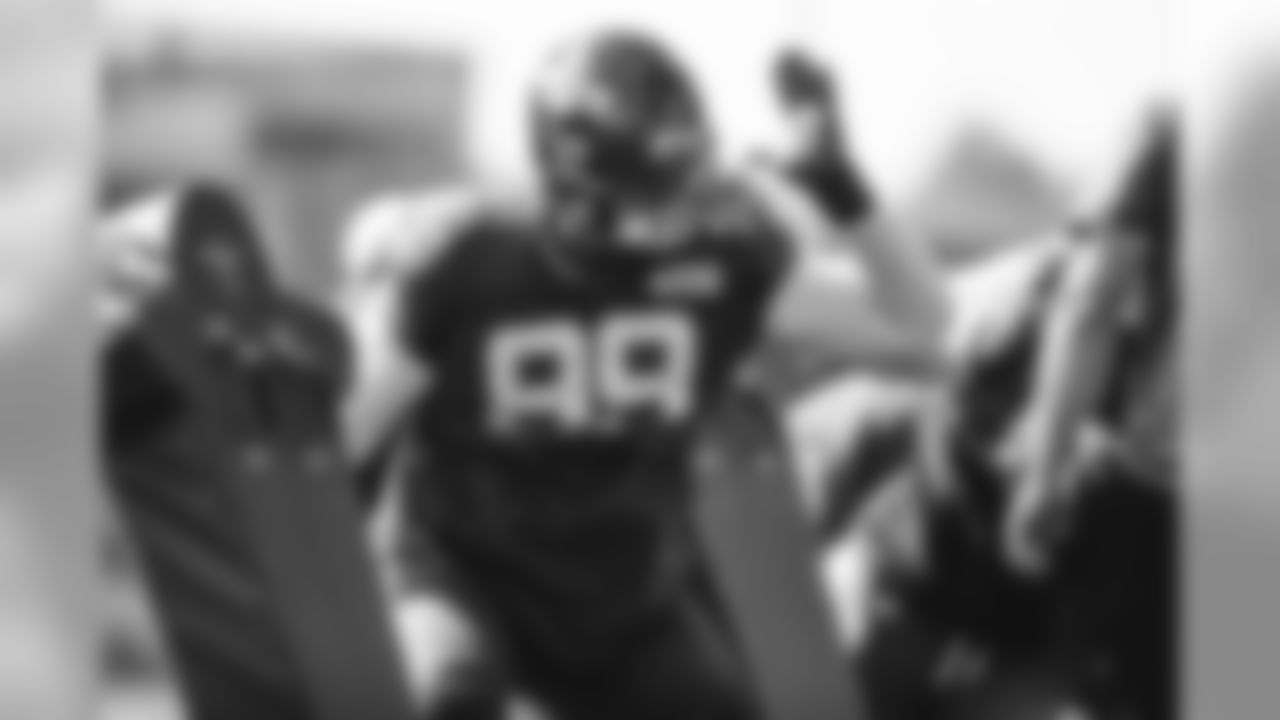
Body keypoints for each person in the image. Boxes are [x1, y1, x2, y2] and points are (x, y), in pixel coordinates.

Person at [341, 28, 949, 720]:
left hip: (619, 598)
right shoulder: (472, 255)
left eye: (687, 185)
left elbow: (921, 326)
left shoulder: (728, 257)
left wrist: (842, 188)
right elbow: (347, 435)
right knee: (446, 696)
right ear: (574, 192)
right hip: (465, 575)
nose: (681, 215)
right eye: (654, 196)